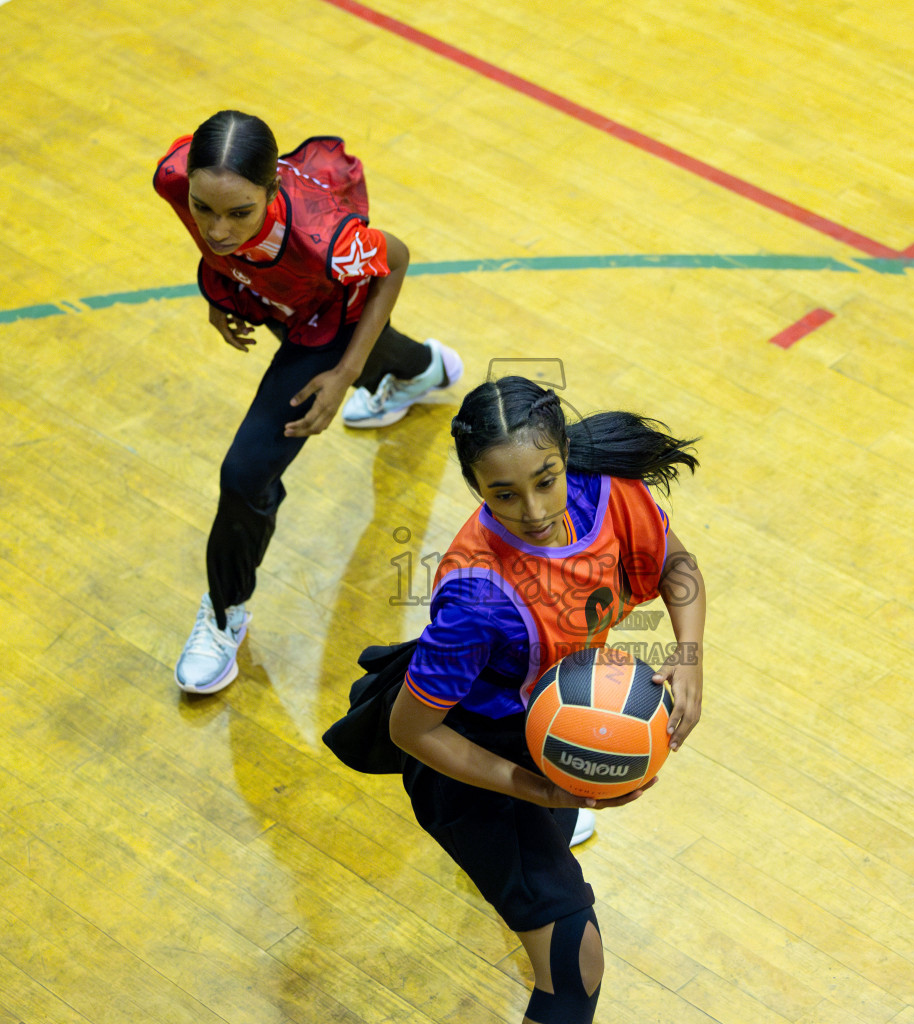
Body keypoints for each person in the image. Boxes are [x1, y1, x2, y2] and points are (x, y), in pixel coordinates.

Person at [325, 376, 706, 1023]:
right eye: (502, 494)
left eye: (544, 480)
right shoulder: (476, 596)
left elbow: (677, 564)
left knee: (539, 876)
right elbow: (413, 731)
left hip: (548, 727)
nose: (532, 510)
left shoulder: (609, 494)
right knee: (575, 964)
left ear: (564, 456)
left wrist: (689, 656)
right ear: (474, 488)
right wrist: (539, 791)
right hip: (469, 759)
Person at [154, 110, 463, 693]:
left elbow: (393, 263)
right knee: (380, 354)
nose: (217, 230)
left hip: (326, 318)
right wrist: (220, 289)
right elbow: (218, 243)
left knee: (244, 474)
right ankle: (425, 370)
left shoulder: (326, 240)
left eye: (239, 213)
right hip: (275, 296)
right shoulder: (175, 176)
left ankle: (224, 615)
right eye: (204, 210)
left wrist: (344, 373)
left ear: (272, 190)